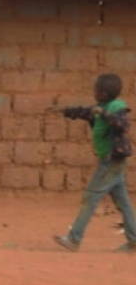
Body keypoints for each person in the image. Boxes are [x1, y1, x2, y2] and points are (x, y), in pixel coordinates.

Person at [51, 73, 136, 252]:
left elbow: (123, 125)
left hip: (111, 161)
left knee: (90, 198)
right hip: (112, 161)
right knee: (123, 202)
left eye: (96, 89)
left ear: (103, 94)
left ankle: (74, 239)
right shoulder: (100, 107)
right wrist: (63, 111)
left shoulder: (115, 108)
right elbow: (82, 112)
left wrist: (104, 114)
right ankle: (134, 240)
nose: (93, 92)